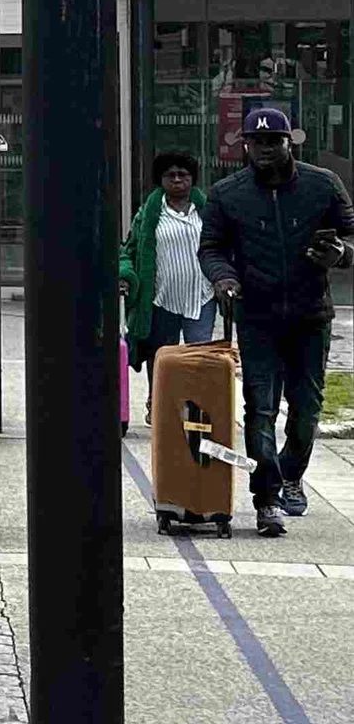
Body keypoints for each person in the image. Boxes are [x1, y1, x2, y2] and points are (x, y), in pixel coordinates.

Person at [198, 105, 354, 538]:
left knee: (306, 409)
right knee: (260, 408)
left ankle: (290, 475)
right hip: (257, 316)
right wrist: (224, 278)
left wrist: (341, 253)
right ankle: (266, 498)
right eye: (257, 142)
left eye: (274, 141)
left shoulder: (324, 185)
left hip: (310, 315)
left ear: (290, 142)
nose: (265, 149)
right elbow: (211, 248)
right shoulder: (227, 193)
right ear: (245, 146)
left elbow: (350, 234)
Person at [118, 150, 216, 426]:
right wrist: (126, 276)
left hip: (201, 297)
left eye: (183, 175)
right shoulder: (149, 214)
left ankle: (196, 410)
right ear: (160, 179)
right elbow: (129, 250)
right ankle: (158, 404)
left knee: (199, 359)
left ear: (192, 179)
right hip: (161, 299)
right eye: (170, 175)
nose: (177, 180)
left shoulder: (208, 211)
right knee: (161, 358)